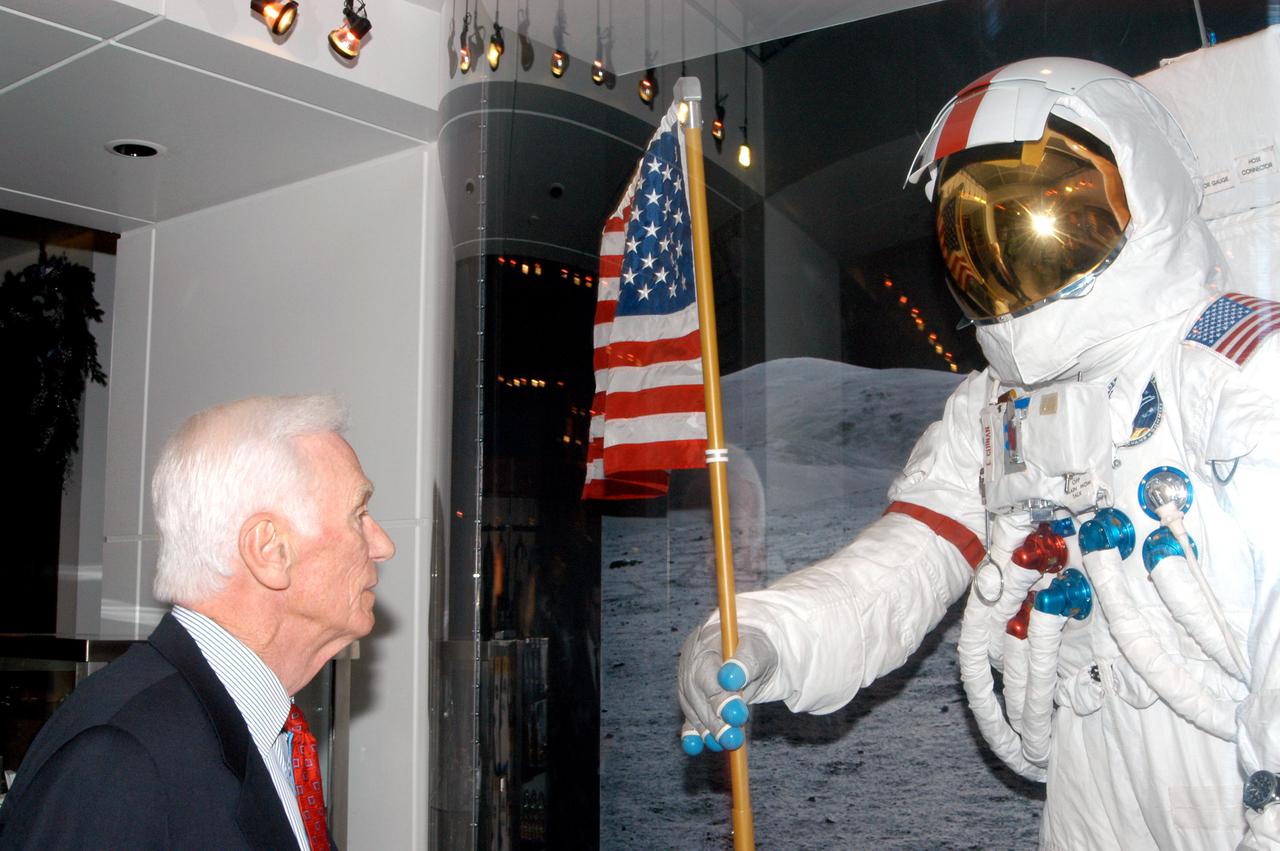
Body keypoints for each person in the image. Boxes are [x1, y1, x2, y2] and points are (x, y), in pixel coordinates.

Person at [677, 57, 1280, 850]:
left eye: (1048, 213)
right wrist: (766, 635)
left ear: (1144, 188)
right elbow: (913, 554)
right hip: (1092, 754)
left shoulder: (1234, 363)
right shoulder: (995, 404)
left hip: (1233, 752)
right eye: (979, 230)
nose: (1014, 255)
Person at [0, 395, 395, 850]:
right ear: (269, 550)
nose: (383, 545)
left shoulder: (255, 729)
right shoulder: (120, 757)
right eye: (359, 515)